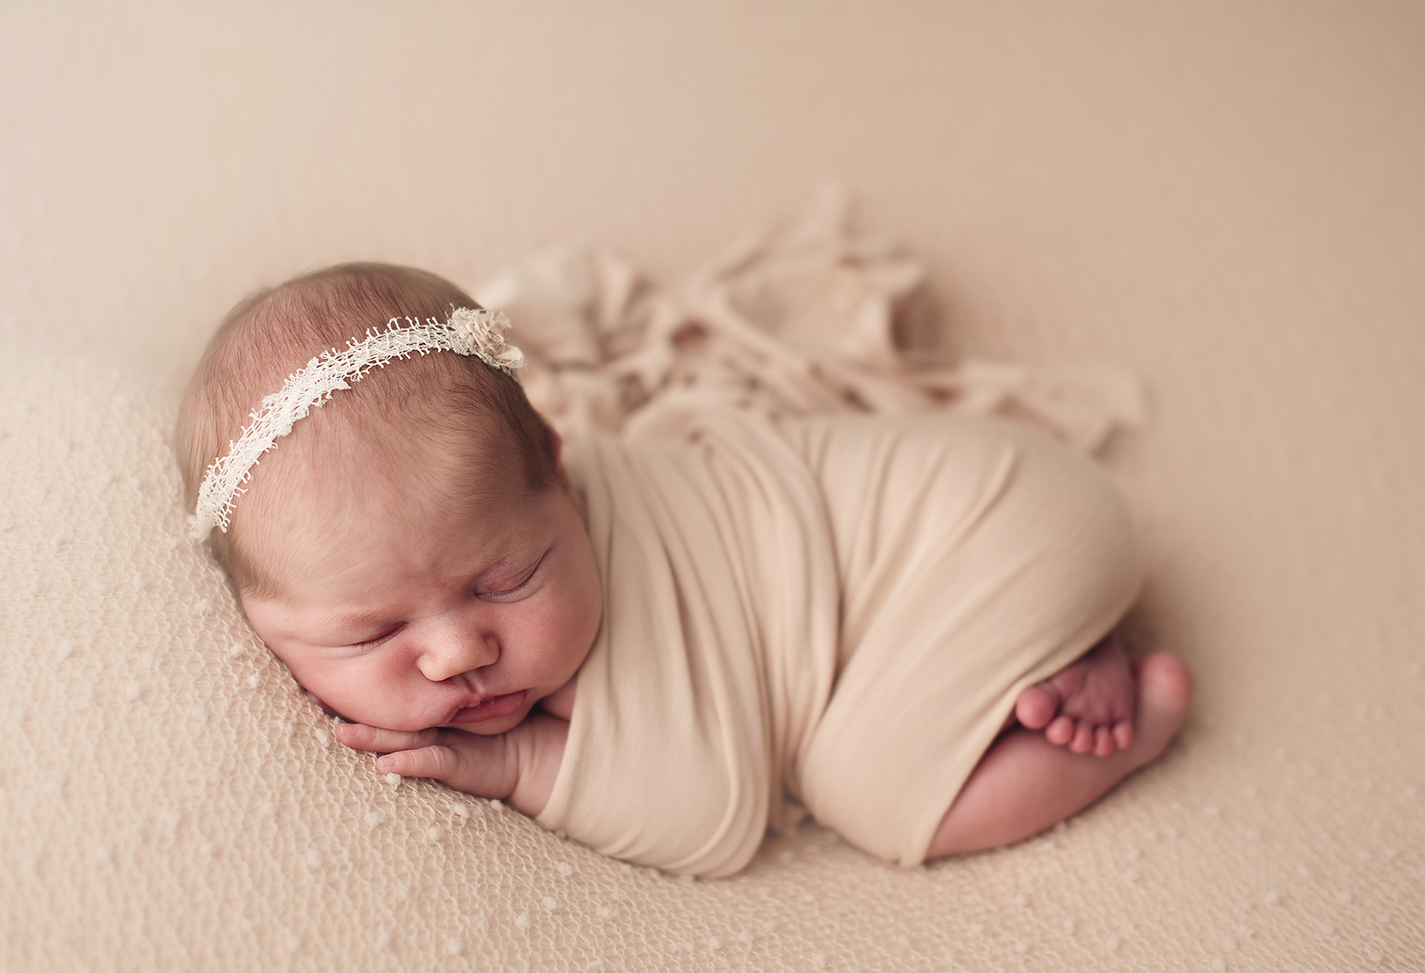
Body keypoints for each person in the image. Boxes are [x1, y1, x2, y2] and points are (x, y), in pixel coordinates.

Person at [176, 262, 1193, 877]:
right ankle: (1026, 665)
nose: (458, 650)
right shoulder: (495, 559)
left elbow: (715, 813)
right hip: (986, 532)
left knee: (875, 793)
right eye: (369, 633)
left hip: (1000, 527)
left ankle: (1128, 715)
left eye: (506, 579)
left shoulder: (629, 590)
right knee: (881, 740)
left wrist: (518, 764)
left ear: (565, 482)